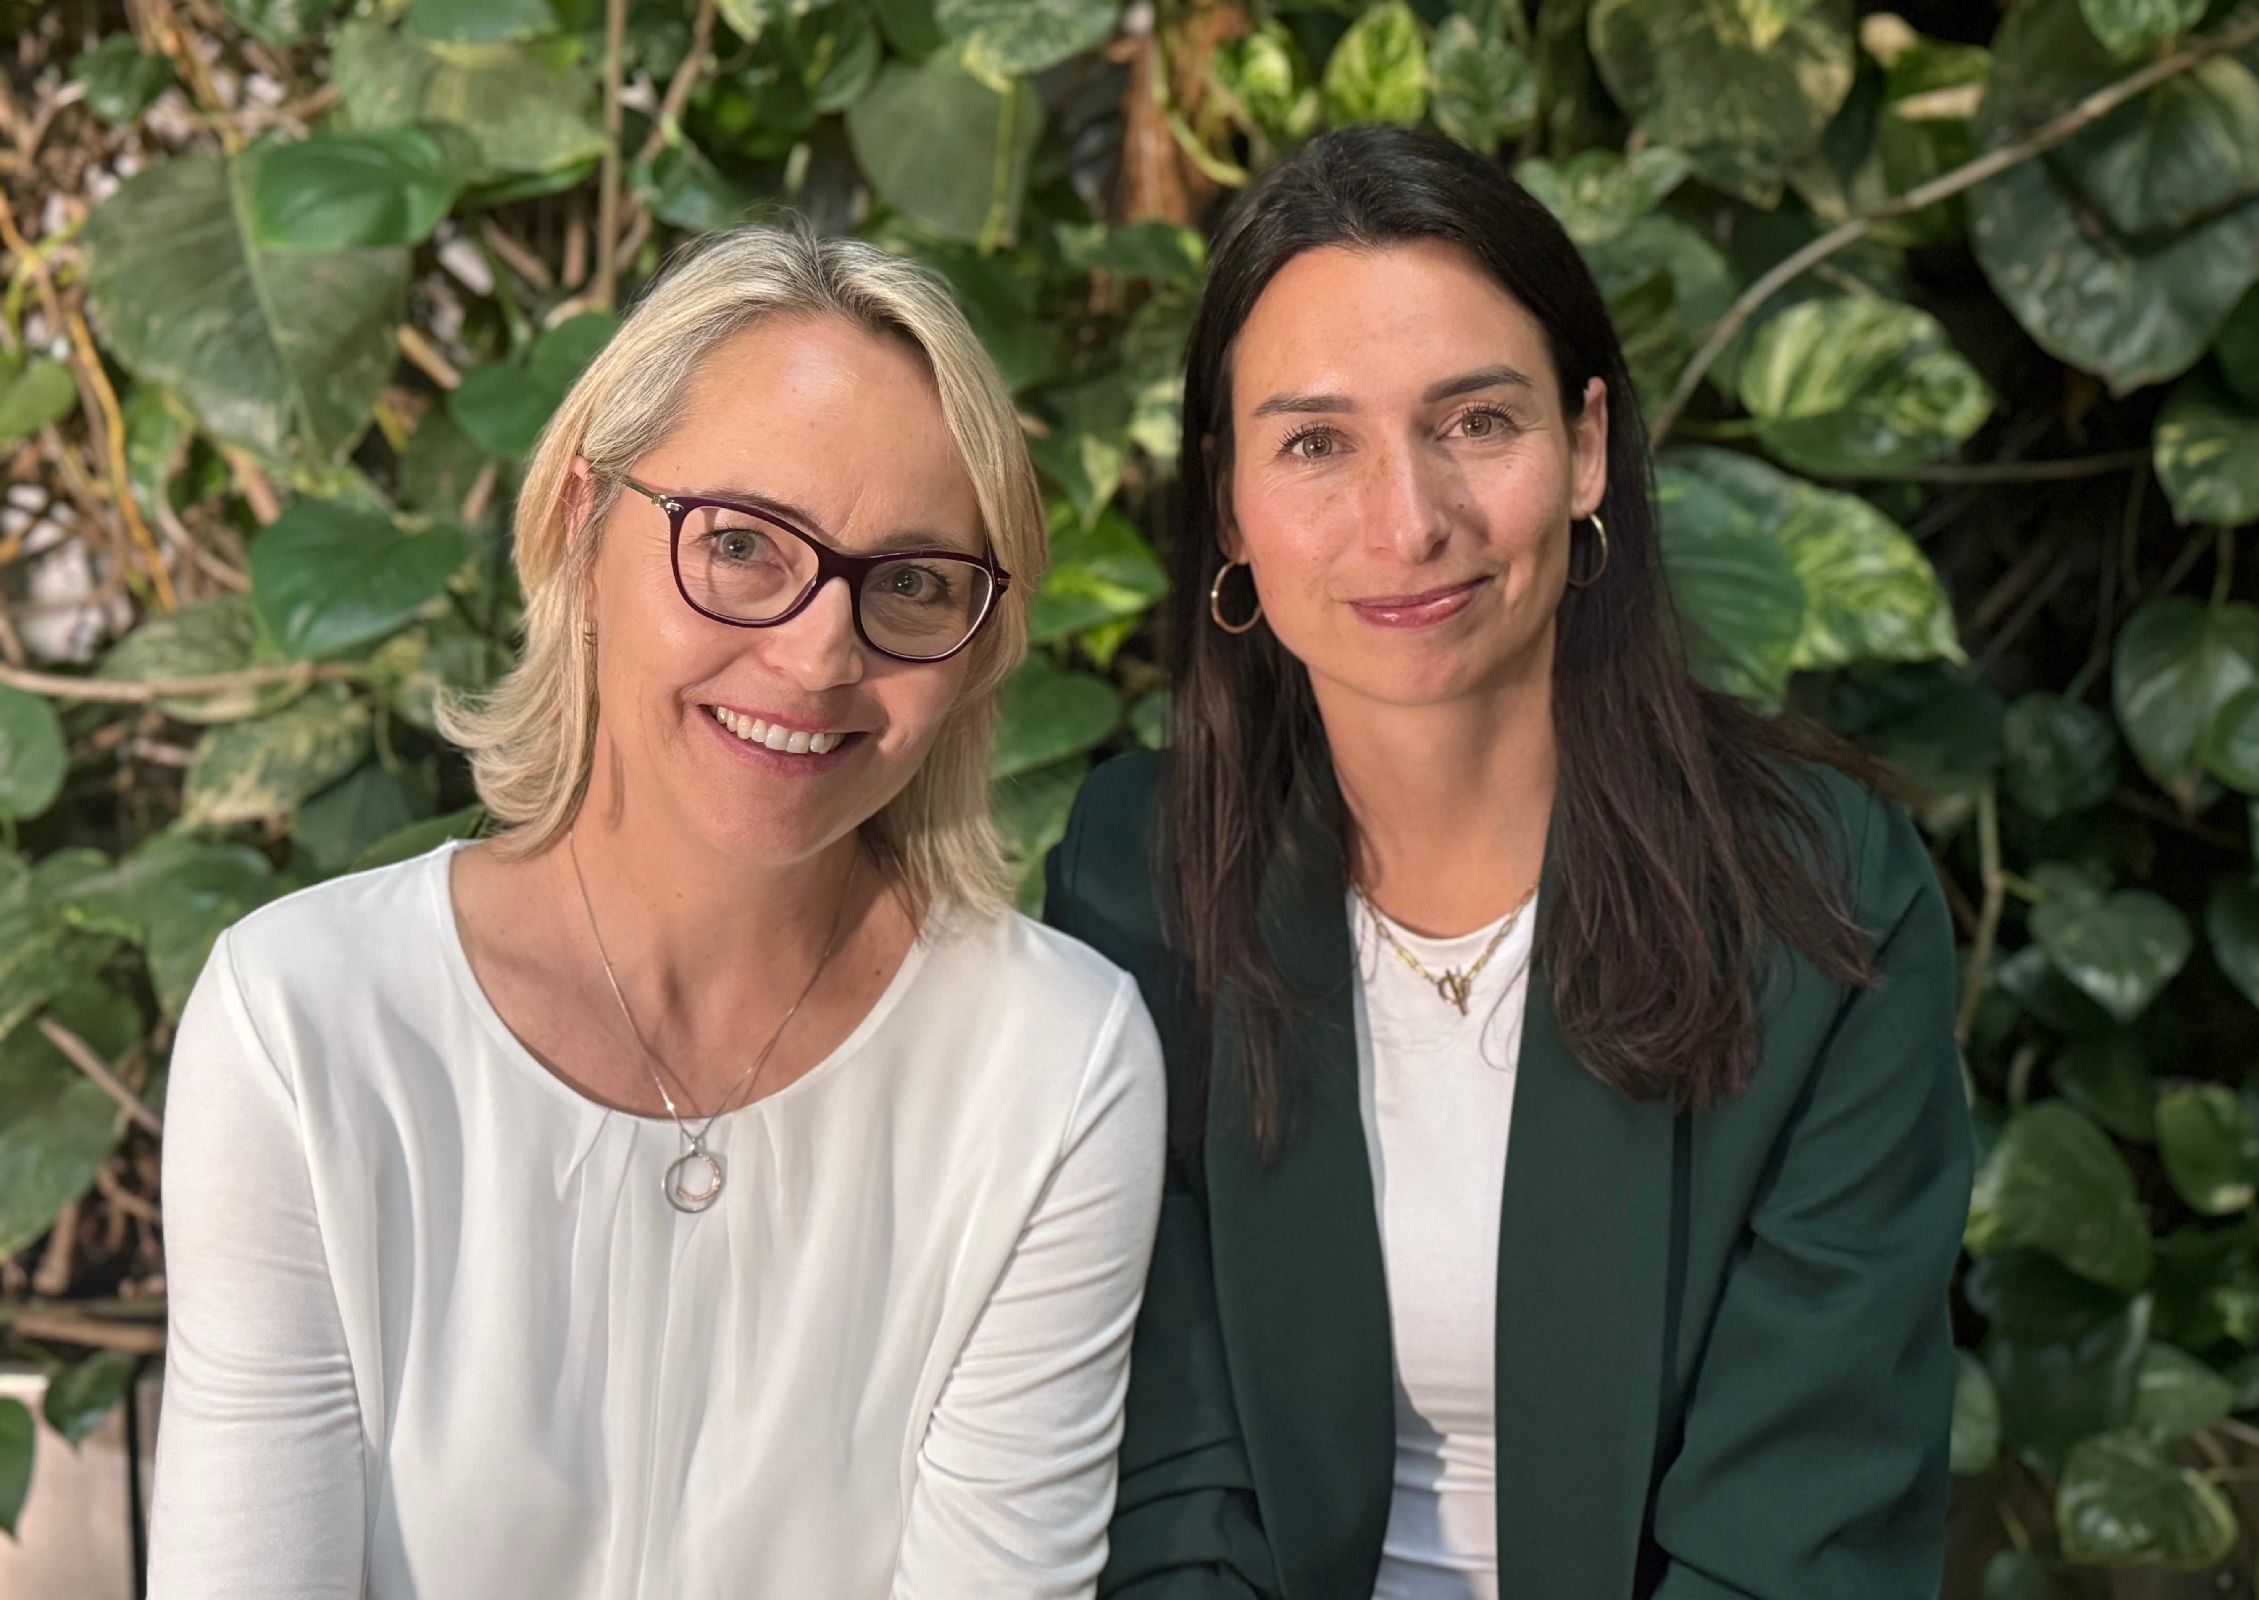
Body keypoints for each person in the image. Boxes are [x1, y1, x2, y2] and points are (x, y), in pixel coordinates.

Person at [149, 226, 1165, 1598]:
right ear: (583, 526)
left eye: (916, 583)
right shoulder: (304, 1023)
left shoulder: (1052, 1062)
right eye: (740, 544)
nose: (819, 652)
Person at [1043, 126, 1973, 1599]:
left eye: (1476, 422)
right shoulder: (1139, 874)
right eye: (1315, 443)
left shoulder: (1820, 897)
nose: (1409, 522)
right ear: (1227, 503)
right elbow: (1171, 1488)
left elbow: (1801, 1531)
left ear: (1586, 446)